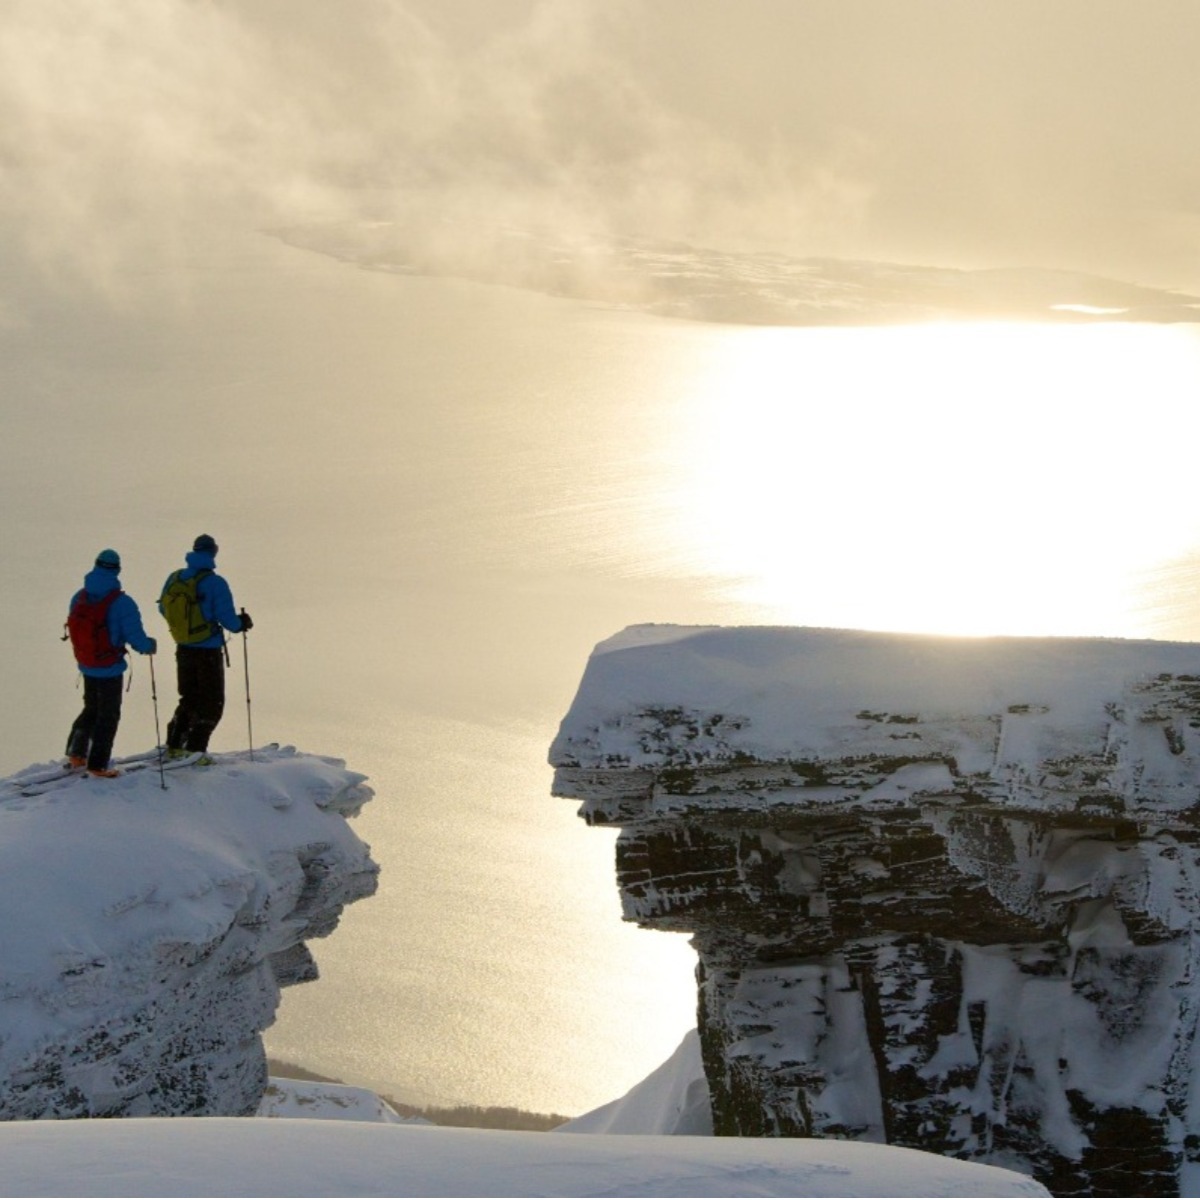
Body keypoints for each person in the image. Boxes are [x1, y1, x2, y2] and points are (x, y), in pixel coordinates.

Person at [64, 548, 157, 778]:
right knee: (108, 715)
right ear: (117, 570)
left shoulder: (79, 597)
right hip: (109, 668)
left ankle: (77, 752)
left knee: (91, 708)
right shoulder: (122, 603)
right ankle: (98, 765)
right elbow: (135, 637)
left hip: (87, 664)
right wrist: (149, 646)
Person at [159, 534, 252, 758]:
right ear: (213, 552)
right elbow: (228, 620)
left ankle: (175, 744)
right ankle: (195, 751)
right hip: (208, 651)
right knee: (212, 703)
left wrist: (184, 628)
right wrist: (242, 623)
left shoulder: (175, 578)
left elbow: (163, 608)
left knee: (188, 698)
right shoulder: (215, 582)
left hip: (183, 647)